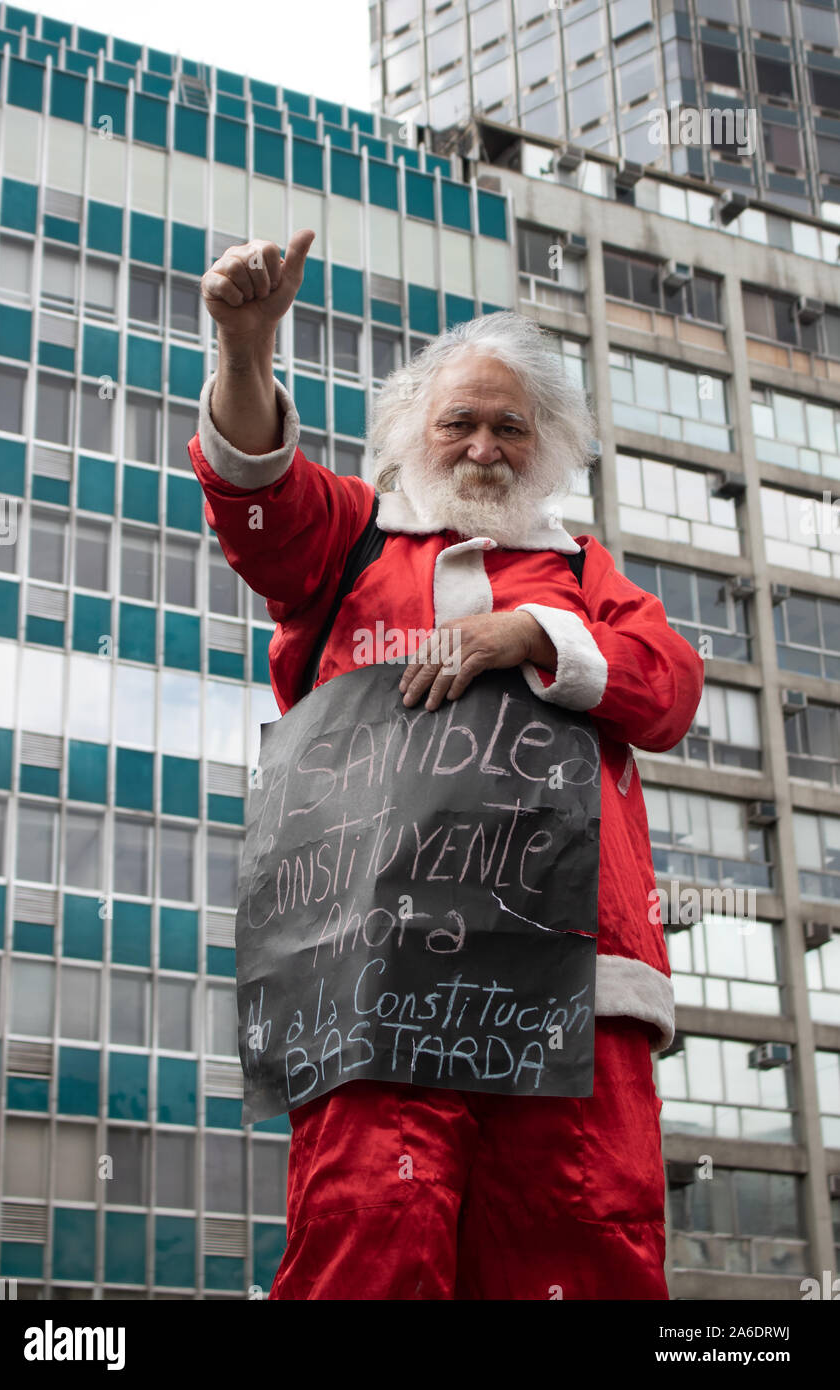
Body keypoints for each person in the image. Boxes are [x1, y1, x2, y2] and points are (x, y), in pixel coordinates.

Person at [189, 230, 705, 1301]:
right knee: (367, 1235)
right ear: (412, 438)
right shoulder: (353, 541)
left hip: (571, 979)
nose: (481, 447)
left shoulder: (580, 570)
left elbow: (666, 688)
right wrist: (245, 349)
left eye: (509, 427)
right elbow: (259, 501)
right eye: (458, 422)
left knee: (579, 1244)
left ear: (547, 446)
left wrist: (532, 635)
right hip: (375, 976)